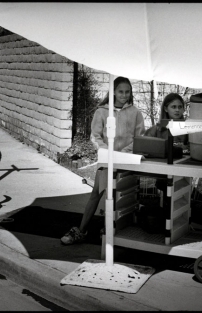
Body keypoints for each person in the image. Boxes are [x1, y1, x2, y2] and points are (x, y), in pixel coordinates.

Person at [61, 76, 145, 245]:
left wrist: (125, 153)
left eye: (127, 92)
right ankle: (82, 230)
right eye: (120, 91)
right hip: (107, 160)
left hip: (126, 160)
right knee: (98, 194)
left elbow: (139, 136)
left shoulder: (135, 113)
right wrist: (106, 152)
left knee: (122, 194)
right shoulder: (102, 111)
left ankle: (111, 231)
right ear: (113, 92)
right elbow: (95, 136)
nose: (124, 95)